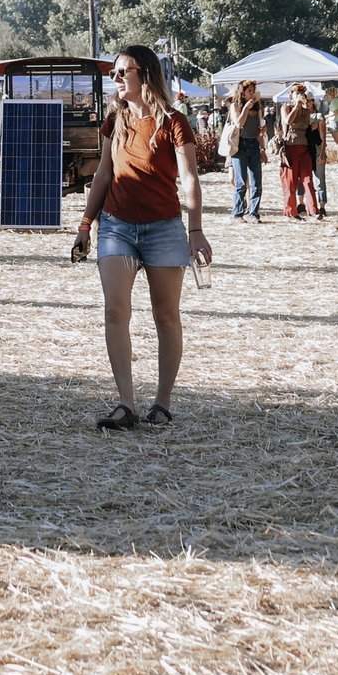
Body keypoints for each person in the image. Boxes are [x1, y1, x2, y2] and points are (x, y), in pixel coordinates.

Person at [74, 45, 211, 429]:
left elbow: (189, 179)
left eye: (122, 72)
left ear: (145, 75)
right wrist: (85, 225)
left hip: (164, 228)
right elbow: (102, 175)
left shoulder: (174, 122)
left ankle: (162, 403)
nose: (115, 79)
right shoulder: (114, 121)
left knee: (166, 315)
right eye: (114, 73)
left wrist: (195, 230)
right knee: (115, 309)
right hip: (116, 226)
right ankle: (126, 404)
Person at [279, 84, 323, 218]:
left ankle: (313, 211)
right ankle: (291, 212)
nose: (300, 95)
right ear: (291, 96)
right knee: (290, 183)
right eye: (297, 93)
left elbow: (308, 125)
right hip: (290, 148)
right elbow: (288, 120)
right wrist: (297, 107)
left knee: (308, 180)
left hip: (304, 149)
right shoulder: (286, 108)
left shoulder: (306, 111)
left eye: (302, 93)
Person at [225, 83, 264, 221]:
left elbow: (261, 128)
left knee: (256, 182)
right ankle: (238, 213)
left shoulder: (258, 107)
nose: (252, 93)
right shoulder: (235, 106)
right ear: (242, 93)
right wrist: (246, 108)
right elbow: (239, 124)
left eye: (254, 91)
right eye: (249, 91)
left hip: (254, 144)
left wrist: (263, 147)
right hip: (240, 145)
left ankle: (253, 213)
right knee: (240, 182)